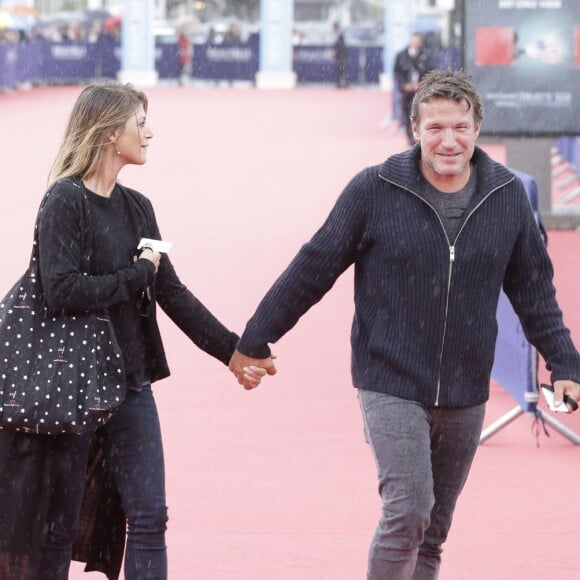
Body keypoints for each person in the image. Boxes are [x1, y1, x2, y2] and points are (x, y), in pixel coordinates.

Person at [229, 69, 580, 579]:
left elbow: (534, 291)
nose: (448, 140)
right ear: (415, 127)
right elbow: (314, 266)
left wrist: (565, 361)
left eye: (460, 127)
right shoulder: (375, 189)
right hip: (388, 378)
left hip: (465, 385)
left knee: (433, 530)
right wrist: (255, 336)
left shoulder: (506, 197)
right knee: (409, 510)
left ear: (478, 128)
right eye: (435, 127)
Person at [0, 81, 265, 580]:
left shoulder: (139, 206)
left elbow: (173, 293)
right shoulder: (63, 201)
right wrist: (138, 274)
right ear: (107, 133)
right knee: (56, 525)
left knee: (150, 516)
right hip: (71, 388)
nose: (148, 132)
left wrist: (233, 351)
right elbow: (61, 289)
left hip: (130, 385)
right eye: (139, 123)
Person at [394, 33, 431, 146]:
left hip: (421, 91)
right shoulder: (401, 55)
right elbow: (397, 73)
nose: (415, 43)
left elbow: (430, 72)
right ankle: (410, 137)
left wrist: (422, 85)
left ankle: (420, 137)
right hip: (406, 91)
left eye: (417, 41)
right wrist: (404, 85)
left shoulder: (425, 56)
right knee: (407, 114)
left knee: (421, 114)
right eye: (413, 40)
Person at [332, 22, 348, 89]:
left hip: (341, 56)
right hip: (340, 56)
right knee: (340, 71)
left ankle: (343, 84)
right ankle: (340, 84)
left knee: (342, 71)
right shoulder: (338, 35)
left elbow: (341, 46)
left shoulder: (340, 36)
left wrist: (335, 51)